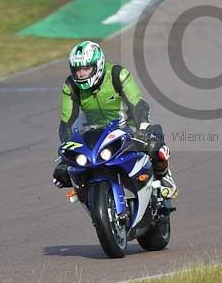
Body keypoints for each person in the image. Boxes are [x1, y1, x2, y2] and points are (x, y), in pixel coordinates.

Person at [52, 40, 177, 198]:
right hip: (94, 133)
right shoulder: (70, 86)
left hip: (126, 128)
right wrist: (66, 152)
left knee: (155, 145)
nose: (81, 74)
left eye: (86, 68)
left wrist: (143, 129)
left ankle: (164, 176)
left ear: (99, 65)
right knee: (66, 171)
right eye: (76, 70)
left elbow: (137, 105)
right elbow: (67, 122)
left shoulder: (118, 74)